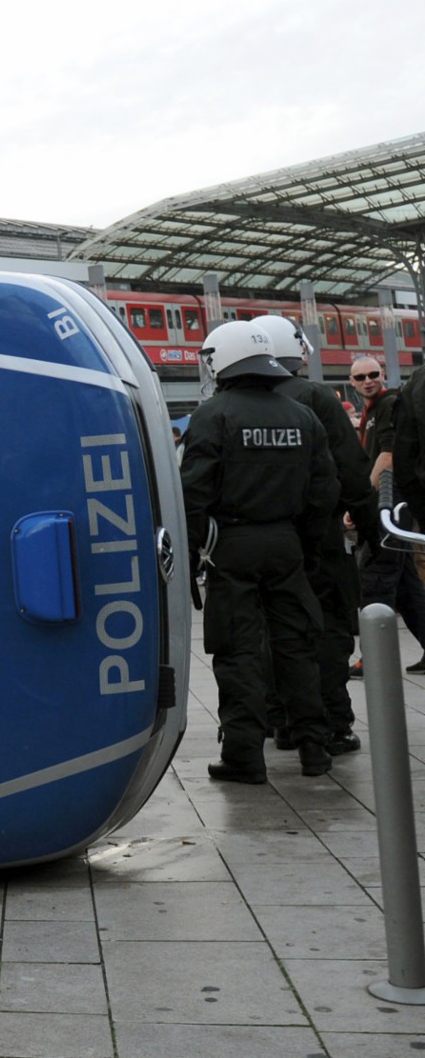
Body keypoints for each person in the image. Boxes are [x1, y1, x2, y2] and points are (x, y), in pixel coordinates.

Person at [182, 321, 338, 783]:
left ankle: (245, 755)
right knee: (296, 645)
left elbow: (193, 493)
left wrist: (190, 557)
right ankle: (314, 747)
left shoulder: (213, 415)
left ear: (225, 359)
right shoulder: (301, 415)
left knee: (238, 650)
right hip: (286, 544)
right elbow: (323, 491)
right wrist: (304, 549)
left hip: (232, 547)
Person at [249, 316, 370, 754]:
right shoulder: (316, 396)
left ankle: (279, 720)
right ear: (297, 350)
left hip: (254, 544)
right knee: (327, 630)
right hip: (316, 540)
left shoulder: (225, 406)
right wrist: (370, 528)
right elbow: (351, 472)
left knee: (269, 630)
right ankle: (332, 726)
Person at [348, 355, 425, 670]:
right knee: (406, 586)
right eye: (360, 377)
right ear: (352, 383)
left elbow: (390, 455)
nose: (368, 380)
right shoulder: (374, 409)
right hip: (393, 507)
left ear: (383, 374)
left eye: (373, 374)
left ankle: (374, 659)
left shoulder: (389, 405)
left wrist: (363, 500)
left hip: (387, 506)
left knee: (376, 579)